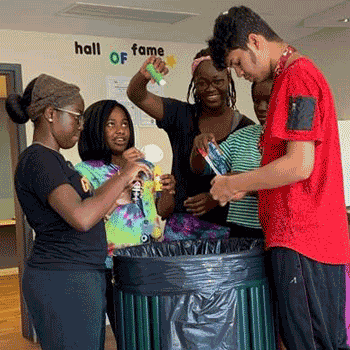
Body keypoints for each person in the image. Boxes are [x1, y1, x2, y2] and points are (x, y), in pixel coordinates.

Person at [208, 6, 350, 350]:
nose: (240, 74)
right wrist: (248, 184)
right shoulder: (291, 76)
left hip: (303, 236)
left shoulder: (298, 77)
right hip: (299, 236)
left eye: (238, 63)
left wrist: (234, 183)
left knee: (311, 341)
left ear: (255, 41)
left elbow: (299, 165)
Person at [6, 74, 151, 350]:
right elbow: (81, 218)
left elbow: (85, 212)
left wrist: (116, 198)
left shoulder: (55, 161)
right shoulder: (39, 159)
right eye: (77, 116)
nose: (81, 126)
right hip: (64, 280)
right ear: (51, 114)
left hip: (78, 276)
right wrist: (123, 175)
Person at [127, 48, 255, 241]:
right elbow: (137, 95)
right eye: (202, 83)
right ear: (194, 84)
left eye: (218, 81)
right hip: (180, 226)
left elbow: (249, 180)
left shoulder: (245, 128)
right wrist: (143, 75)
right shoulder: (180, 115)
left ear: (229, 79)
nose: (210, 88)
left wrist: (215, 199)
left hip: (224, 230)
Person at [74, 99, 176, 340]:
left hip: (152, 257)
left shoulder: (147, 166)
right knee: (128, 330)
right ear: (95, 129)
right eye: (111, 124)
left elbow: (163, 210)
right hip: (114, 265)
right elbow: (90, 212)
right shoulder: (86, 170)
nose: (121, 131)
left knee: (157, 330)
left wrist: (170, 191)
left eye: (125, 124)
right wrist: (124, 173)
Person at [191, 79, 273, 239]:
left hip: (275, 230)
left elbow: (286, 187)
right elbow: (202, 169)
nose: (261, 108)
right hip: (240, 231)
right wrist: (199, 148)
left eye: (269, 100)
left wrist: (241, 182)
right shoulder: (241, 137)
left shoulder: (292, 144)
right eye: (256, 101)